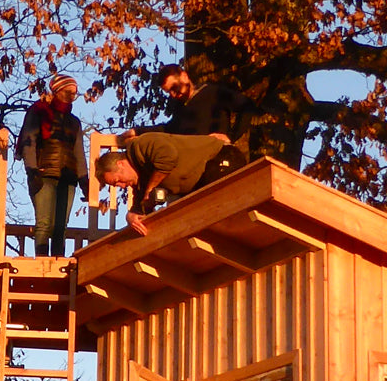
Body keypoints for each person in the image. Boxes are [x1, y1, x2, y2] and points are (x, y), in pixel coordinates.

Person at [93, 131, 248, 235]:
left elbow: (168, 158)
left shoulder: (140, 145)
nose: (121, 186)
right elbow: (141, 204)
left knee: (217, 211)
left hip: (222, 159)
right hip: (203, 180)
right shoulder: (141, 182)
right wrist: (131, 216)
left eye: (117, 181)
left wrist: (151, 187)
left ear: (121, 164)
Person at [16, 73, 87, 257]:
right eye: (68, 92)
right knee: (44, 223)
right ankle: (41, 262)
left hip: (68, 177)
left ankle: (57, 261)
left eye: (74, 93)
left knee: (60, 226)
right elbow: (28, 141)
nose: (72, 96)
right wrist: (32, 171)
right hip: (44, 173)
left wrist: (84, 179)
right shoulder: (39, 113)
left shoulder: (74, 123)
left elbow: (79, 152)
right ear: (57, 91)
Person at [120, 63, 250, 146]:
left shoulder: (213, 93)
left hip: (217, 159)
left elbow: (246, 106)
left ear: (184, 77)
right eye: (169, 92)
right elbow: (168, 129)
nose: (173, 94)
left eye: (174, 88)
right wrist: (137, 131)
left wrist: (231, 137)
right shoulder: (179, 107)